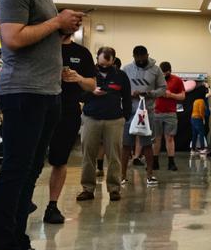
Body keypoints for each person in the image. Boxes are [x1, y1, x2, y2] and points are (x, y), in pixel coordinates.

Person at [0, 0, 85, 250]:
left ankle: (18, 244)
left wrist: (60, 29)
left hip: (46, 94)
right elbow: (12, 39)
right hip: (23, 93)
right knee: (15, 172)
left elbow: (37, 37)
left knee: (29, 174)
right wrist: (57, 22)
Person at [43, 34, 96, 224]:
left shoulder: (81, 53)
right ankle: (23, 200)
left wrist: (78, 78)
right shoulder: (42, 46)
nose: (73, 24)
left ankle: (52, 205)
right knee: (30, 158)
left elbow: (92, 85)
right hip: (40, 107)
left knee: (60, 160)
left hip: (68, 111)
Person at [77, 47, 129, 202]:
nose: (103, 67)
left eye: (107, 64)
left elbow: (126, 98)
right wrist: (91, 92)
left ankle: (114, 189)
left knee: (114, 156)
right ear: (97, 59)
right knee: (88, 154)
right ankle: (87, 189)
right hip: (91, 118)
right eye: (101, 64)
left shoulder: (121, 76)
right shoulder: (88, 74)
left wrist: (124, 117)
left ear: (113, 60)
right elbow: (79, 95)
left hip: (114, 120)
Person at [122, 46, 165, 186]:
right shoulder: (126, 69)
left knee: (147, 144)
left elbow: (163, 89)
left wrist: (150, 94)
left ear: (148, 55)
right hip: (129, 112)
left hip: (147, 112)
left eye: (143, 57)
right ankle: (122, 175)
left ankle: (150, 175)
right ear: (133, 56)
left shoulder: (156, 70)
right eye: (137, 58)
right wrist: (130, 94)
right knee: (126, 144)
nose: (140, 60)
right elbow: (119, 88)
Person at [154, 61, 185, 171]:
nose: (164, 76)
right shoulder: (155, 79)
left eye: (166, 74)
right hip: (156, 112)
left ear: (170, 71)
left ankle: (171, 162)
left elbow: (182, 96)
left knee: (170, 138)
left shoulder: (177, 80)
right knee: (156, 138)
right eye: (162, 74)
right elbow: (149, 93)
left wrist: (171, 95)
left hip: (170, 113)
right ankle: (155, 162)